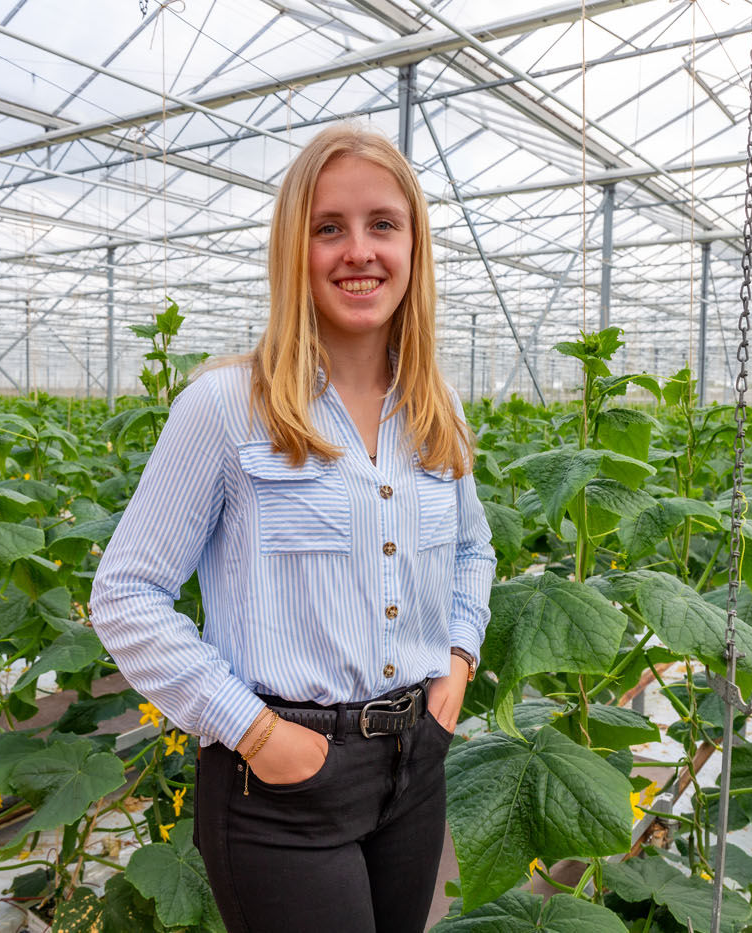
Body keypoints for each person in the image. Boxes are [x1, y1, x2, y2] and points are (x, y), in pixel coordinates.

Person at [90, 123, 494, 933]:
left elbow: (472, 550)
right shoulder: (224, 407)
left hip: (417, 760)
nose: (359, 251)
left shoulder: (434, 409)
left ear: (413, 248)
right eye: (328, 228)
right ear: (292, 249)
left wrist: (456, 660)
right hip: (281, 780)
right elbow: (127, 594)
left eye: (383, 224)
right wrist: (256, 730)